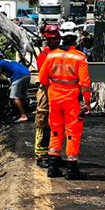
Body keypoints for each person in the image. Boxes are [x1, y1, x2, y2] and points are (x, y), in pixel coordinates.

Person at [40, 23, 91, 180]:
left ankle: (52, 167)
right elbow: (85, 83)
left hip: (54, 98)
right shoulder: (79, 57)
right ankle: (71, 169)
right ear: (76, 38)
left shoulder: (51, 55)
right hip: (72, 101)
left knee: (55, 131)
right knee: (72, 133)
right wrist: (87, 103)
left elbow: (42, 78)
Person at [34, 24, 61, 168]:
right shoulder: (44, 55)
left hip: (58, 93)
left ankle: (53, 154)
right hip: (46, 91)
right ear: (47, 40)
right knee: (43, 123)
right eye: (53, 39)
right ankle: (41, 155)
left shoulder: (61, 54)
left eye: (57, 39)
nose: (56, 41)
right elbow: (45, 77)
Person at [0, 53, 31, 122]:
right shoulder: (10, 61)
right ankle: (25, 112)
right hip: (27, 75)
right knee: (22, 97)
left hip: (18, 77)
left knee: (14, 98)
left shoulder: (0, 63)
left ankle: (23, 116)